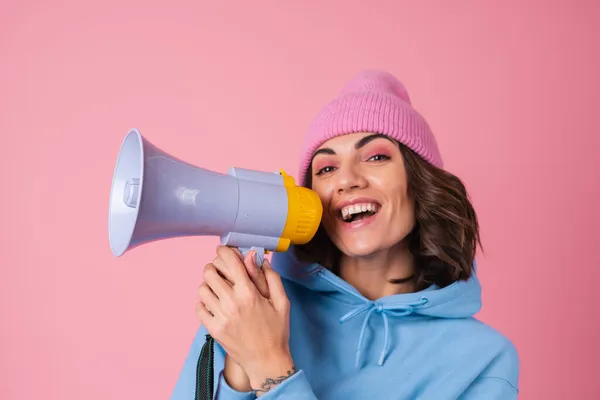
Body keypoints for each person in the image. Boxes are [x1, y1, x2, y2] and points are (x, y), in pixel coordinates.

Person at [171, 70, 520, 399]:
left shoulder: (483, 362)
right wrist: (236, 369)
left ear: (421, 184)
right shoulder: (254, 306)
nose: (347, 179)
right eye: (326, 167)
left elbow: (268, 366)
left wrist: (269, 365)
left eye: (376, 157)